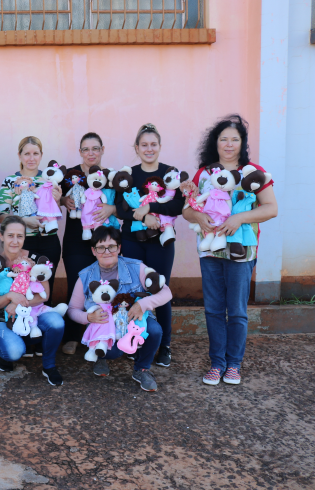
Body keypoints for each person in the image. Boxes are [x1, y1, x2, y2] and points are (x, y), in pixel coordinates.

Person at [182, 115, 277, 386]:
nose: (228, 144)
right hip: (210, 251)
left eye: (234, 139)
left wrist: (239, 218)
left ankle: (233, 364)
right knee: (213, 309)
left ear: (242, 143)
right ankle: (217, 363)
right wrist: (197, 217)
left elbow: (271, 208)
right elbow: (187, 210)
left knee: (236, 310)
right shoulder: (204, 173)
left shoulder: (253, 172)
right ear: (216, 142)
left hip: (241, 251)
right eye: (223, 138)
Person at [67, 226, 172, 392]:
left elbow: (166, 292)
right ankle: (100, 358)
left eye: (112, 246)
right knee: (114, 353)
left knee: (155, 330)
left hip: (134, 322)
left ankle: (141, 369)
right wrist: (88, 318)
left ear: (119, 248)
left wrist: (142, 304)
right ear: (93, 251)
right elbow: (72, 309)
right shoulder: (85, 276)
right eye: (101, 247)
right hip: (103, 328)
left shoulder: (136, 267)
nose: (107, 251)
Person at [114, 124, 184, 368]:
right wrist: (143, 217)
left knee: (160, 291)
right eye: (144, 144)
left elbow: (178, 207)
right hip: (132, 242)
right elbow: (121, 208)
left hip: (161, 244)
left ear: (160, 147)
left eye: (153, 144)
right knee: (134, 291)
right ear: (136, 147)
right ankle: (136, 339)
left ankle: (164, 345)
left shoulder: (169, 174)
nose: (149, 148)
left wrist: (152, 209)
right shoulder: (128, 174)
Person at [0, 216, 66, 385]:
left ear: (24, 238)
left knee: (56, 321)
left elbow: (45, 295)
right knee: (14, 352)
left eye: (19, 236)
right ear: (2, 236)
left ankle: (49, 366)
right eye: (10, 235)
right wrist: (9, 297)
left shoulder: (36, 259)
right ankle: (5, 354)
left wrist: (16, 303)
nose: (15, 241)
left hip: (30, 314)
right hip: (1, 319)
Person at [0, 136, 62, 356]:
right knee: (21, 289)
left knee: (43, 292)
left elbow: (54, 210)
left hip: (48, 242)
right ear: (20, 156)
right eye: (27, 153)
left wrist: (59, 198)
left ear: (41, 156)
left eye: (36, 153)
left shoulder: (49, 179)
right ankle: (22, 336)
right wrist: (24, 222)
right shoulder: (10, 181)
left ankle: (42, 339)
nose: (31, 158)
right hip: (23, 244)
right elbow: (2, 214)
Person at [59, 132, 117, 356]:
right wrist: (64, 200)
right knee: (77, 285)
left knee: (104, 286)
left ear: (102, 149)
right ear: (80, 152)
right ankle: (73, 335)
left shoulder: (111, 176)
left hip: (105, 242)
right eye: (86, 149)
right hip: (76, 241)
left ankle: (102, 333)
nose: (91, 153)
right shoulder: (70, 175)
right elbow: (54, 198)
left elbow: (125, 204)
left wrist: (112, 209)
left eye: (95, 148)